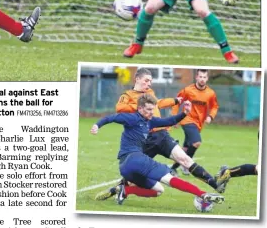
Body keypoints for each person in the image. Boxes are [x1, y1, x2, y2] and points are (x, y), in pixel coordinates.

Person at [95, 68, 224, 201]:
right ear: (137, 79)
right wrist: (141, 106)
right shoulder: (127, 95)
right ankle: (119, 189)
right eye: (146, 80)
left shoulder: (150, 92)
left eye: (150, 81)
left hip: (161, 135)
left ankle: (216, 185)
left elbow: (158, 104)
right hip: (144, 139)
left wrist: (175, 101)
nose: (149, 84)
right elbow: (119, 108)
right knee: (133, 175)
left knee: (185, 159)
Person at [170, 69, 218, 176]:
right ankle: (187, 165)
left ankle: (173, 168)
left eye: (204, 77)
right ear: (196, 77)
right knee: (196, 142)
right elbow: (177, 102)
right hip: (187, 120)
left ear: (207, 78)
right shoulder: (188, 90)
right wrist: (175, 118)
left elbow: (215, 106)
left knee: (186, 148)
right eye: (200, 77)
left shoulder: (210, 93)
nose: (202, 79)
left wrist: (211, 116)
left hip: (198, 123)